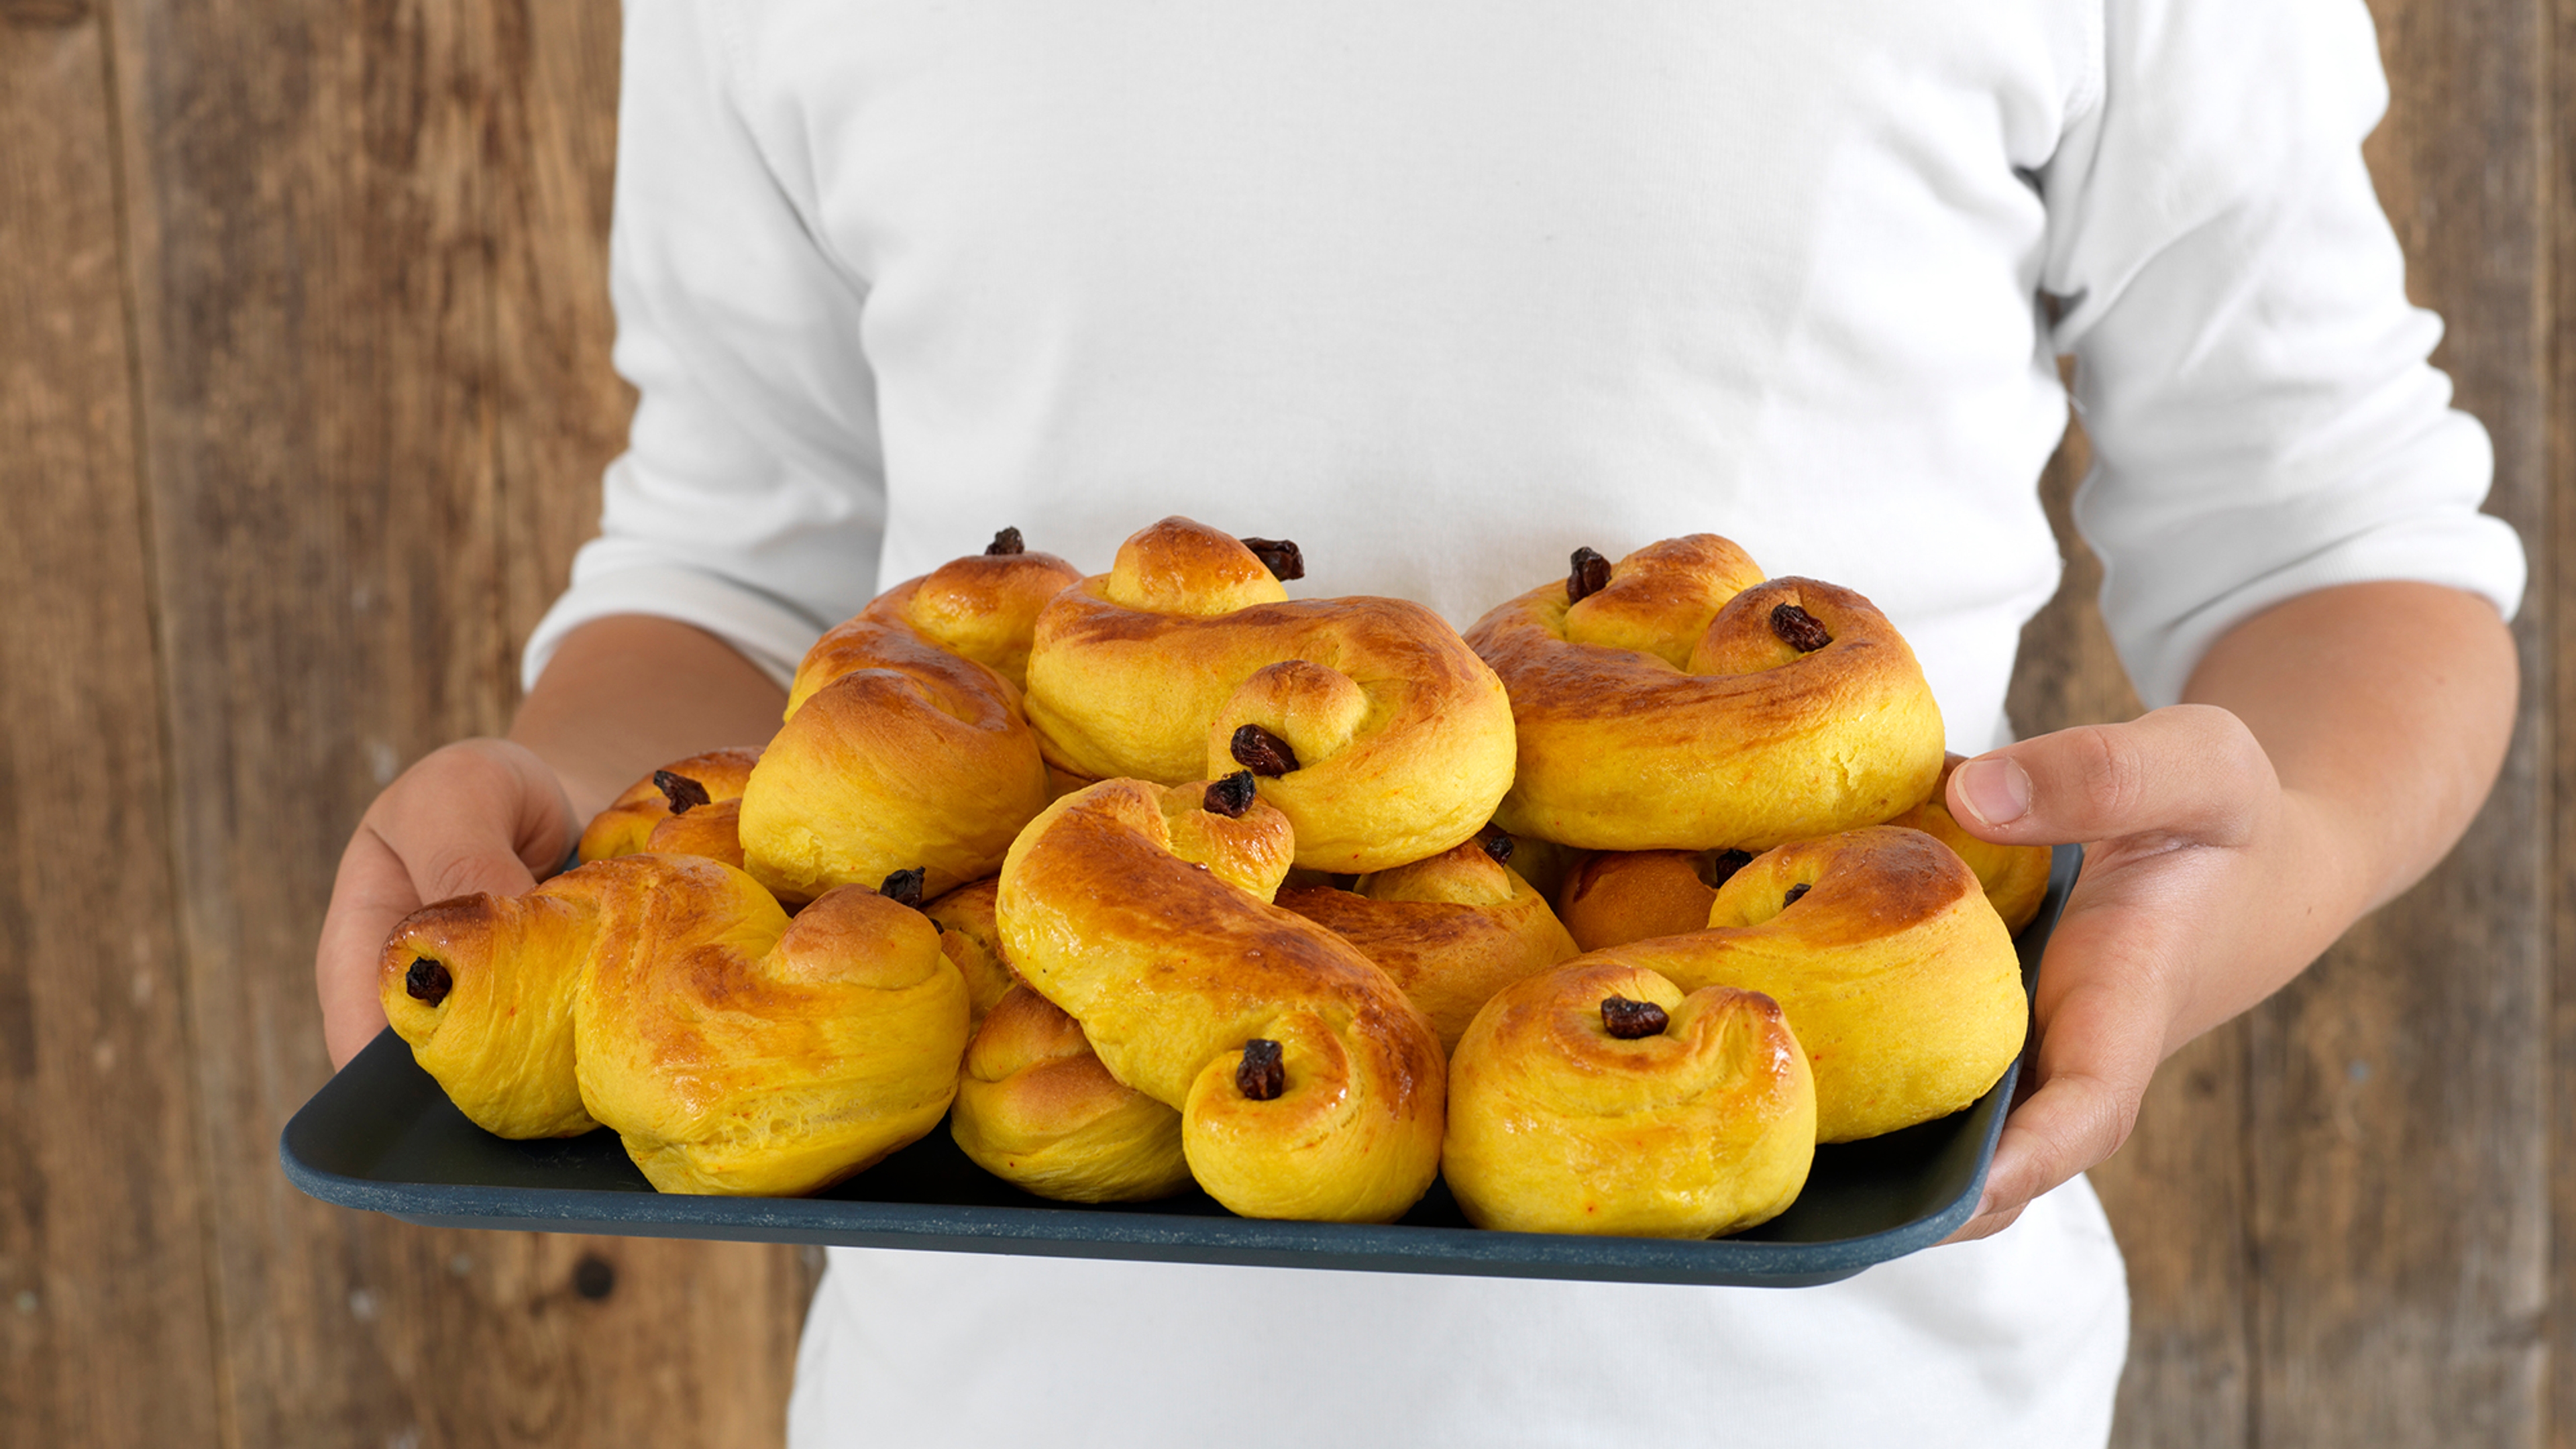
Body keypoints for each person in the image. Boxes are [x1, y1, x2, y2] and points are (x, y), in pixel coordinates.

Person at [314, 0, 2524, 1443]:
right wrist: (574, 824)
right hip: (1004, 1383)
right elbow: (739, 566)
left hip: (1844, 1387)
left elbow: (2341, 542)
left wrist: (2234, 879)